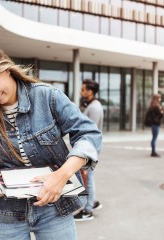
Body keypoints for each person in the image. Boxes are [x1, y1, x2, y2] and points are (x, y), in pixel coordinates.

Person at [0, 45, 102, 240]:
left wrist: (62, 175)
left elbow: (89, 134)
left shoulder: (47, 96)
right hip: (5, 214)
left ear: (6, 69)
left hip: (55, 208)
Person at [73, 79, 103, 221]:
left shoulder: (95, 108)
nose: (81, 91)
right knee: (89, 177)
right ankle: (93, 201)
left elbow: (91, 131)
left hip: (89, 149)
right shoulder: (92, 105)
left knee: (88, 178)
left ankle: (88, 210)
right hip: (89, 148)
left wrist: (84, 153)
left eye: (83, 89)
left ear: (90, 92)